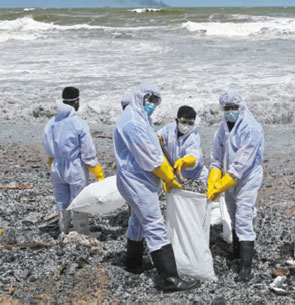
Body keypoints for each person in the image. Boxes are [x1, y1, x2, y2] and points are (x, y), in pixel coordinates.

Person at [114, 82, 199, 292]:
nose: (152, 104)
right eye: (149, 100)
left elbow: (155, 146)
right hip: (136, 181)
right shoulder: (132, 121)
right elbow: (151, 158)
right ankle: (169, 278)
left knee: (137, 220)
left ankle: (133, 263)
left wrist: (170, 169)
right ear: (139, 98)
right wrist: (169, 178)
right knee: (154, 223)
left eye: (155, 101)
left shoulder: (141, 118)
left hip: (138, 179)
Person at [207, 91, 264, 282]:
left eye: (234, 108)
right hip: (228, 177)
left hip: (247, 178)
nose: (230, 111)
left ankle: (246, 267)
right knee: (232, 214)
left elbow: (241, 164)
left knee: (243, 216)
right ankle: (236, 252)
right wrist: (214, 178)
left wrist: (221, 186)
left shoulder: (251, 128)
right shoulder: (223, 127)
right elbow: (216, 155)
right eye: (227, 108)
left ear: (241, 107)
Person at [43, 86, 104, 236]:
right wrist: (99, 174)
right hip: (75, 167)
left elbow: (48, 147)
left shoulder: (52, 122)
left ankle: (63, 230)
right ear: (76, 101)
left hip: (57, 166)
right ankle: (81, 233)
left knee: (62, 199)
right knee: (79, 200)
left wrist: (53, 165)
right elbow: (87, 152)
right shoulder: (79, 123)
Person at [158, 105, 209, 183]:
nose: (186, 126)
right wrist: (158, 138)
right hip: (177, 177)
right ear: (176, 120)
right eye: (183, 122)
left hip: (196, 178)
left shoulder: (193, 136)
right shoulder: (169, 129)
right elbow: (158, 137)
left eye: (190, 123)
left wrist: (183, 162)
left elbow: (193, 156)